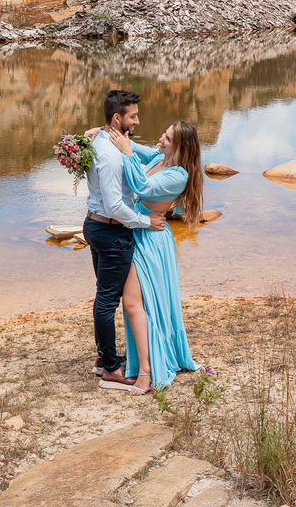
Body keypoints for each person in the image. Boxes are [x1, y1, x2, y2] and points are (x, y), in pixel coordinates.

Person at [97, 120, 203, 395]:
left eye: (167, 138)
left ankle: (145, 372)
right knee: (136, 304)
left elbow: (142, 186)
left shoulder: (178, 175)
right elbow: (131, 144)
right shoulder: (159, 156)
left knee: (133, 303)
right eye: (163, 133)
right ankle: (145, 362)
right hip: (140, 230)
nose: (160, 139)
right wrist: (98, 132)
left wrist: (127, 153)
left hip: (152, 239)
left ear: (180, 147)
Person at [83, 90, 165, 389]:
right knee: (107, 300)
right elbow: (116, 205)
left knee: (104, 295)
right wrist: (147, 222)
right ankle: (111, 369)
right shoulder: (110, 156)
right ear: (117, 118)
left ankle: (104, 358)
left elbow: (157, 155)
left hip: (96, 226)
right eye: (133, 116)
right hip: (111, 230)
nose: (138, 121)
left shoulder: (102, 140)